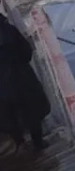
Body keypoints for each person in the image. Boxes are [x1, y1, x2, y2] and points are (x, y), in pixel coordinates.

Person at [0, 12, 51, 153]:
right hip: (21, 76)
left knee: (7, 113)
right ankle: (38, 142)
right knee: (32, 108)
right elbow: (26, 51)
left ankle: (19, 142)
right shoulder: (8, 29)